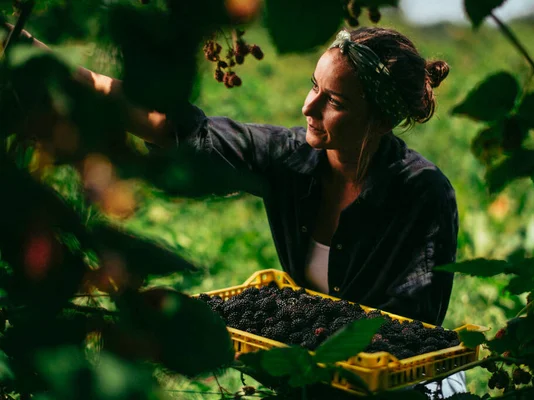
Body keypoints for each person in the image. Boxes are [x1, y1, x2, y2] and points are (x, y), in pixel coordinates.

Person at [6, 24, 463, 397]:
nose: (309, 106)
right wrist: (38, 60)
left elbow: (407, 337)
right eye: (313, 87)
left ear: (378, 119)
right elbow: (182, 130)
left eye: (335, 102)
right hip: (317, 374)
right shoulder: (290, 159)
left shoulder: (422, 194)